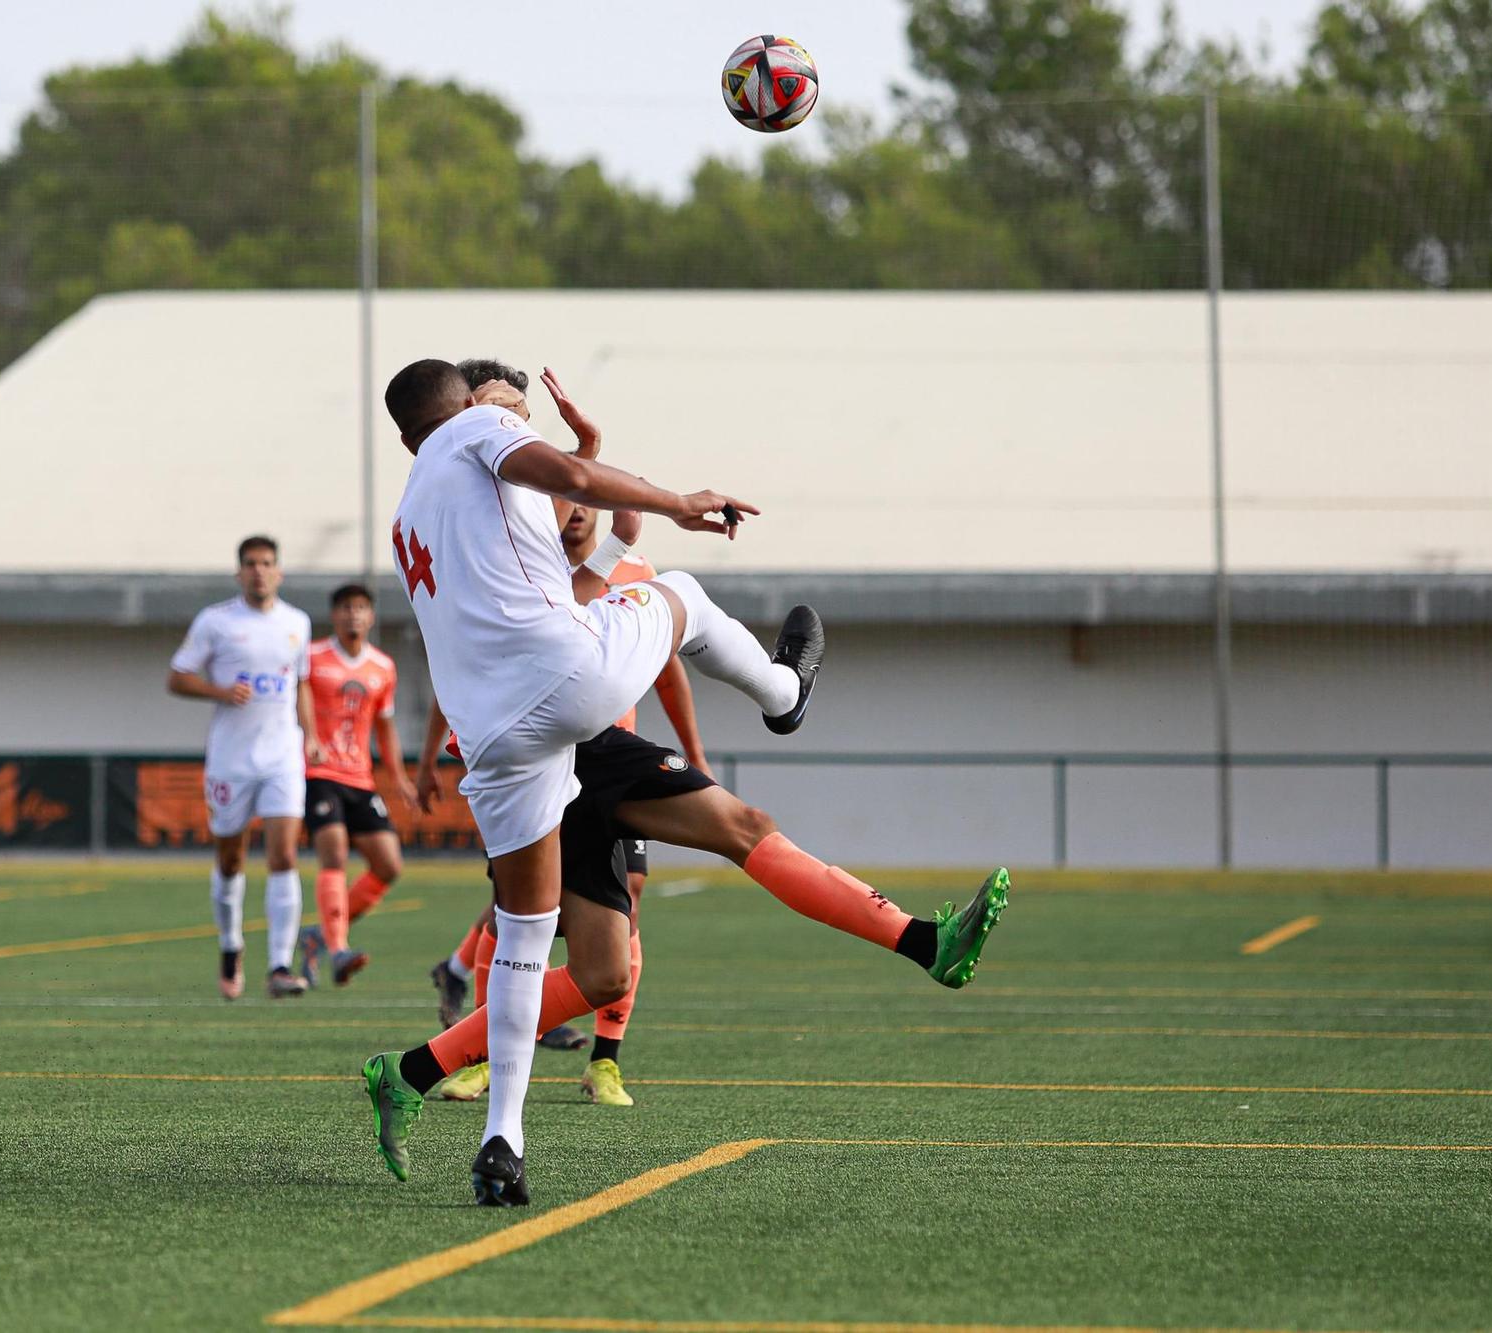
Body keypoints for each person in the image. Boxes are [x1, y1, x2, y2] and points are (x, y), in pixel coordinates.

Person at [368, 356, 824, 1205]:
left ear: (403, 437)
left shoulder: (408, 515)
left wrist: (583, 447)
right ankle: (783, 692)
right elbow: (572, 477)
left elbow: (551, 537)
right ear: (466, 405)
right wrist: (677, 501)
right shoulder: (479, 428)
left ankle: (503, 1139)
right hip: (567, 681)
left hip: (493, 738)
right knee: (679, 589)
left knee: (522, 939)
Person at [366, 711, 1012, 1200]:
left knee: (603, 972)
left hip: (590, 751)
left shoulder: (625, 571)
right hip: (546, 751)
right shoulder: (538, 548)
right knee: (741, 829)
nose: (585, 521)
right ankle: (924, 940)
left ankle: (412, 1070)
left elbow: (672, 657)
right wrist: (777, 688)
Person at [166, 535, 321, 1000]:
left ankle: (279, 964)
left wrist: (310, 734)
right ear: (239, 573)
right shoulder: (216, 622)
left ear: (280, 572)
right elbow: (177, 676)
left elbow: (303, 684)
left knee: (284, 855)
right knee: (231, 857)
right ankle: (231, 945)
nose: (259, 571)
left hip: (281, 756)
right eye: (251, 564)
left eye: (267, 563)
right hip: (231, 758)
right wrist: (218, 692)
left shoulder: (297, 623)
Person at [296, 582, 416, 989]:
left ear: (371, 616)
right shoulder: (312, 657)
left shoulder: (382, 666)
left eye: (361, 608)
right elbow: (299, 698)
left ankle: (317, 935)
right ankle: (337, 948)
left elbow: (385, 727)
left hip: (360, 778)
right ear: (335, 614)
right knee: (334, 856)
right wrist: (309, 737)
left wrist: (398, 778)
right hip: (320, 773)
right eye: (346, 607)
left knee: (388, 865)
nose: (354, 614)